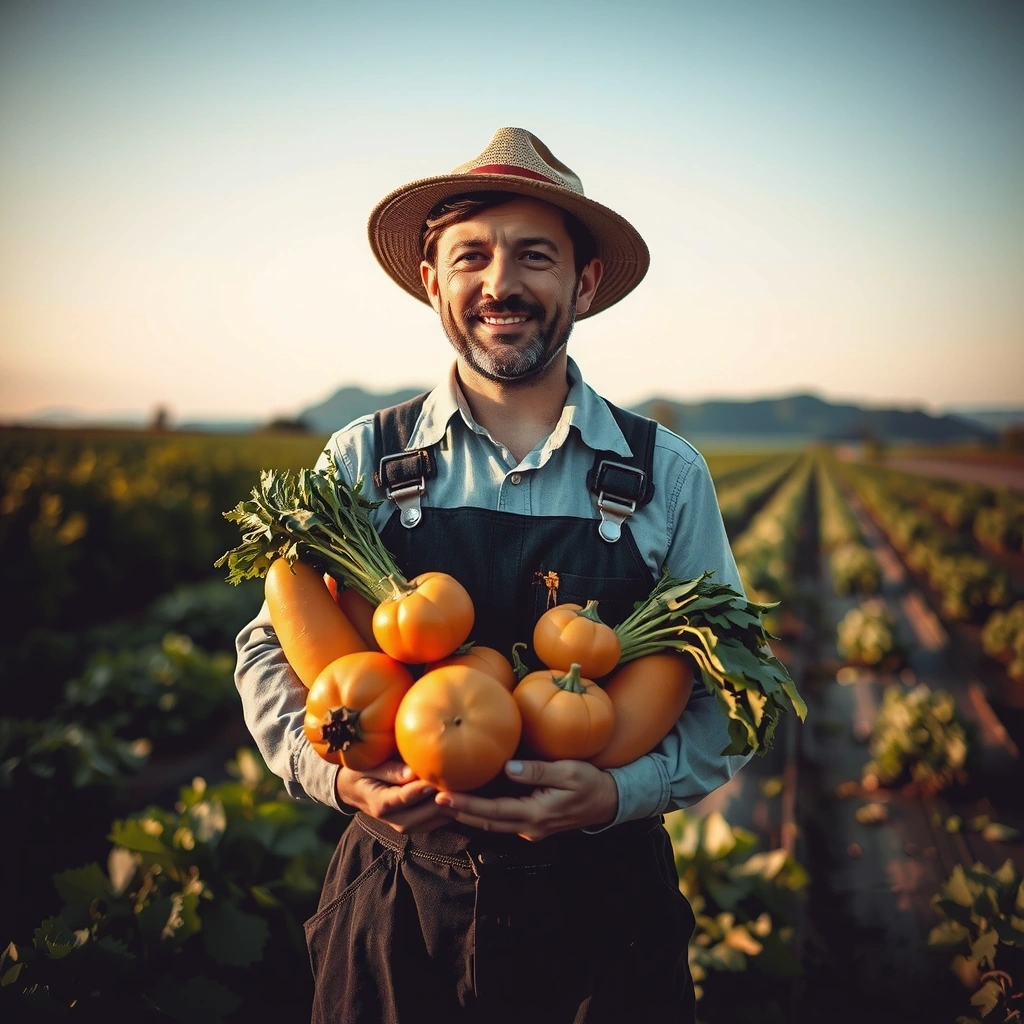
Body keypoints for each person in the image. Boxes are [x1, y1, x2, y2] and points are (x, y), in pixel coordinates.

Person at [234, 127, 752, 1023]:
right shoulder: (361, 459)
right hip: (399, 907)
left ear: (584, 283)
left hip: (608, 916)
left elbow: (734, 681)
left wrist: (621, 791)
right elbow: (266, 646)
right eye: (470, 255)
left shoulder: (666, 474)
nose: (500, 284)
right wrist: (339, 779)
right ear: (432, 279)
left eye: (535, 256)